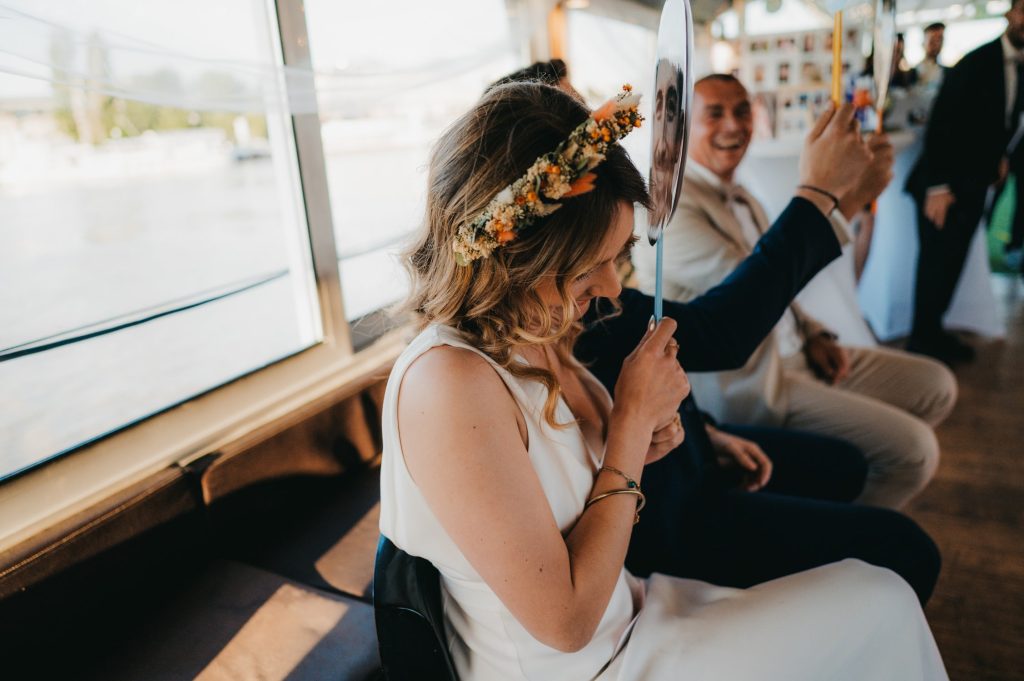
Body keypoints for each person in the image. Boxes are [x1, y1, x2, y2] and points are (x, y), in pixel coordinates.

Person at [379, 81, 948, 680]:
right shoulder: (449, 385)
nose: (609, 289)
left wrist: (646, 437)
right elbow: (566, 625)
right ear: (516, 258)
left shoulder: (534, 333)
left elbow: (574, 492)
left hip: (634, 610)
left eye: (618, 256)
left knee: (876, 588)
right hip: (588, 664)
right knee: (879, 603)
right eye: (587, 269)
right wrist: (628, 425)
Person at [494, 62, 942, 602]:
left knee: (846, 468)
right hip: (667, 517)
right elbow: (716, 331)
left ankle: (843, 596)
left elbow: (636, 375)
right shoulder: (558, 307)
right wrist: (821, 195)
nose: (603, 152)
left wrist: (705, 431)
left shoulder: (590, 288)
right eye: (583, 141)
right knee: (904, 543)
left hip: (692, 455)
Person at [635, 74, 957, 510]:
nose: (733, 125)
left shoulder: (743, 195)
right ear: (686, 123)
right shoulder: (666, 208)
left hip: (798, 353)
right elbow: (758, 283)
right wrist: (843, 198)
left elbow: (781, 286)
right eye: (715, 114)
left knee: (935, 385)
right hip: (753, 379)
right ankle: (853, 538)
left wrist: (814, 332)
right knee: (914, 453)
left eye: (742, 110)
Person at [906, 0, 1024, 359]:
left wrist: (1000, 157)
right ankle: (921, 341)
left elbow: (1002, 121)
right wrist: (939, 187)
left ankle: (934, 334)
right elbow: (942, 122)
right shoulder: (976, 61)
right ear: (1010, 14)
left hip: (975, 182)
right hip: (943, 185)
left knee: (952, 262)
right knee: (935, 265)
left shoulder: (1020, 66)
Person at [917, 23, 947, 90]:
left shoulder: (946, 73)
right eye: (932, 40)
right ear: (923, 43)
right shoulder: (914, 73)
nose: (937, 44)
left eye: (940, 40)